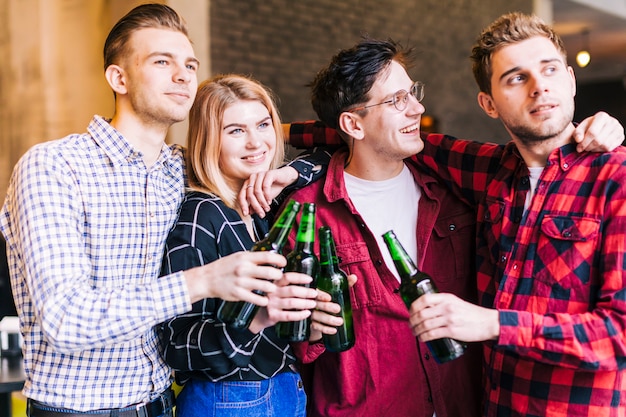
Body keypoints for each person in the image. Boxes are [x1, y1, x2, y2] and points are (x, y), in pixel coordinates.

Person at [0, 4, 304, 416]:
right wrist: (203, 281)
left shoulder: (182, 170)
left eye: (189, 64)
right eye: (162, 61)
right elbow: (66, 320)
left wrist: (291, 174)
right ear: (118, 77)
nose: (183, 76)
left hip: (164, 405)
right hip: (77, 410)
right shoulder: (54, 166)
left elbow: (325, 149)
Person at [406, 12, 626, 416]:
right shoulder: (489, 169)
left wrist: (493, 324)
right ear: (488, 104)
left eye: (550, 70)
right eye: (516, 77)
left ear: (571, 80)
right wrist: (283, 152)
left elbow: (618, 335)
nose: (540, 86)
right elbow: (380, 133)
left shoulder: (618, 179)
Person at [269, 38, 484, 417]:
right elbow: (295, 342)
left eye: (413, 93)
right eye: (397, 100)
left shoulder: (450, 192)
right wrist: (312, 327)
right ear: (353, 123)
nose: (417, 108)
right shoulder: (307, 213)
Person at [158, 74, 319, 417]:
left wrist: (290, 174)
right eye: (235, 131)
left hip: (283, 391)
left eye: (263, 125)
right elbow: (176, 343)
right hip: (229, 399)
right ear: (207, 141)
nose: (256, 142)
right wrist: (258, 316)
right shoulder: (202, 214)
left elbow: (335, 151)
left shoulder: (260, 207)